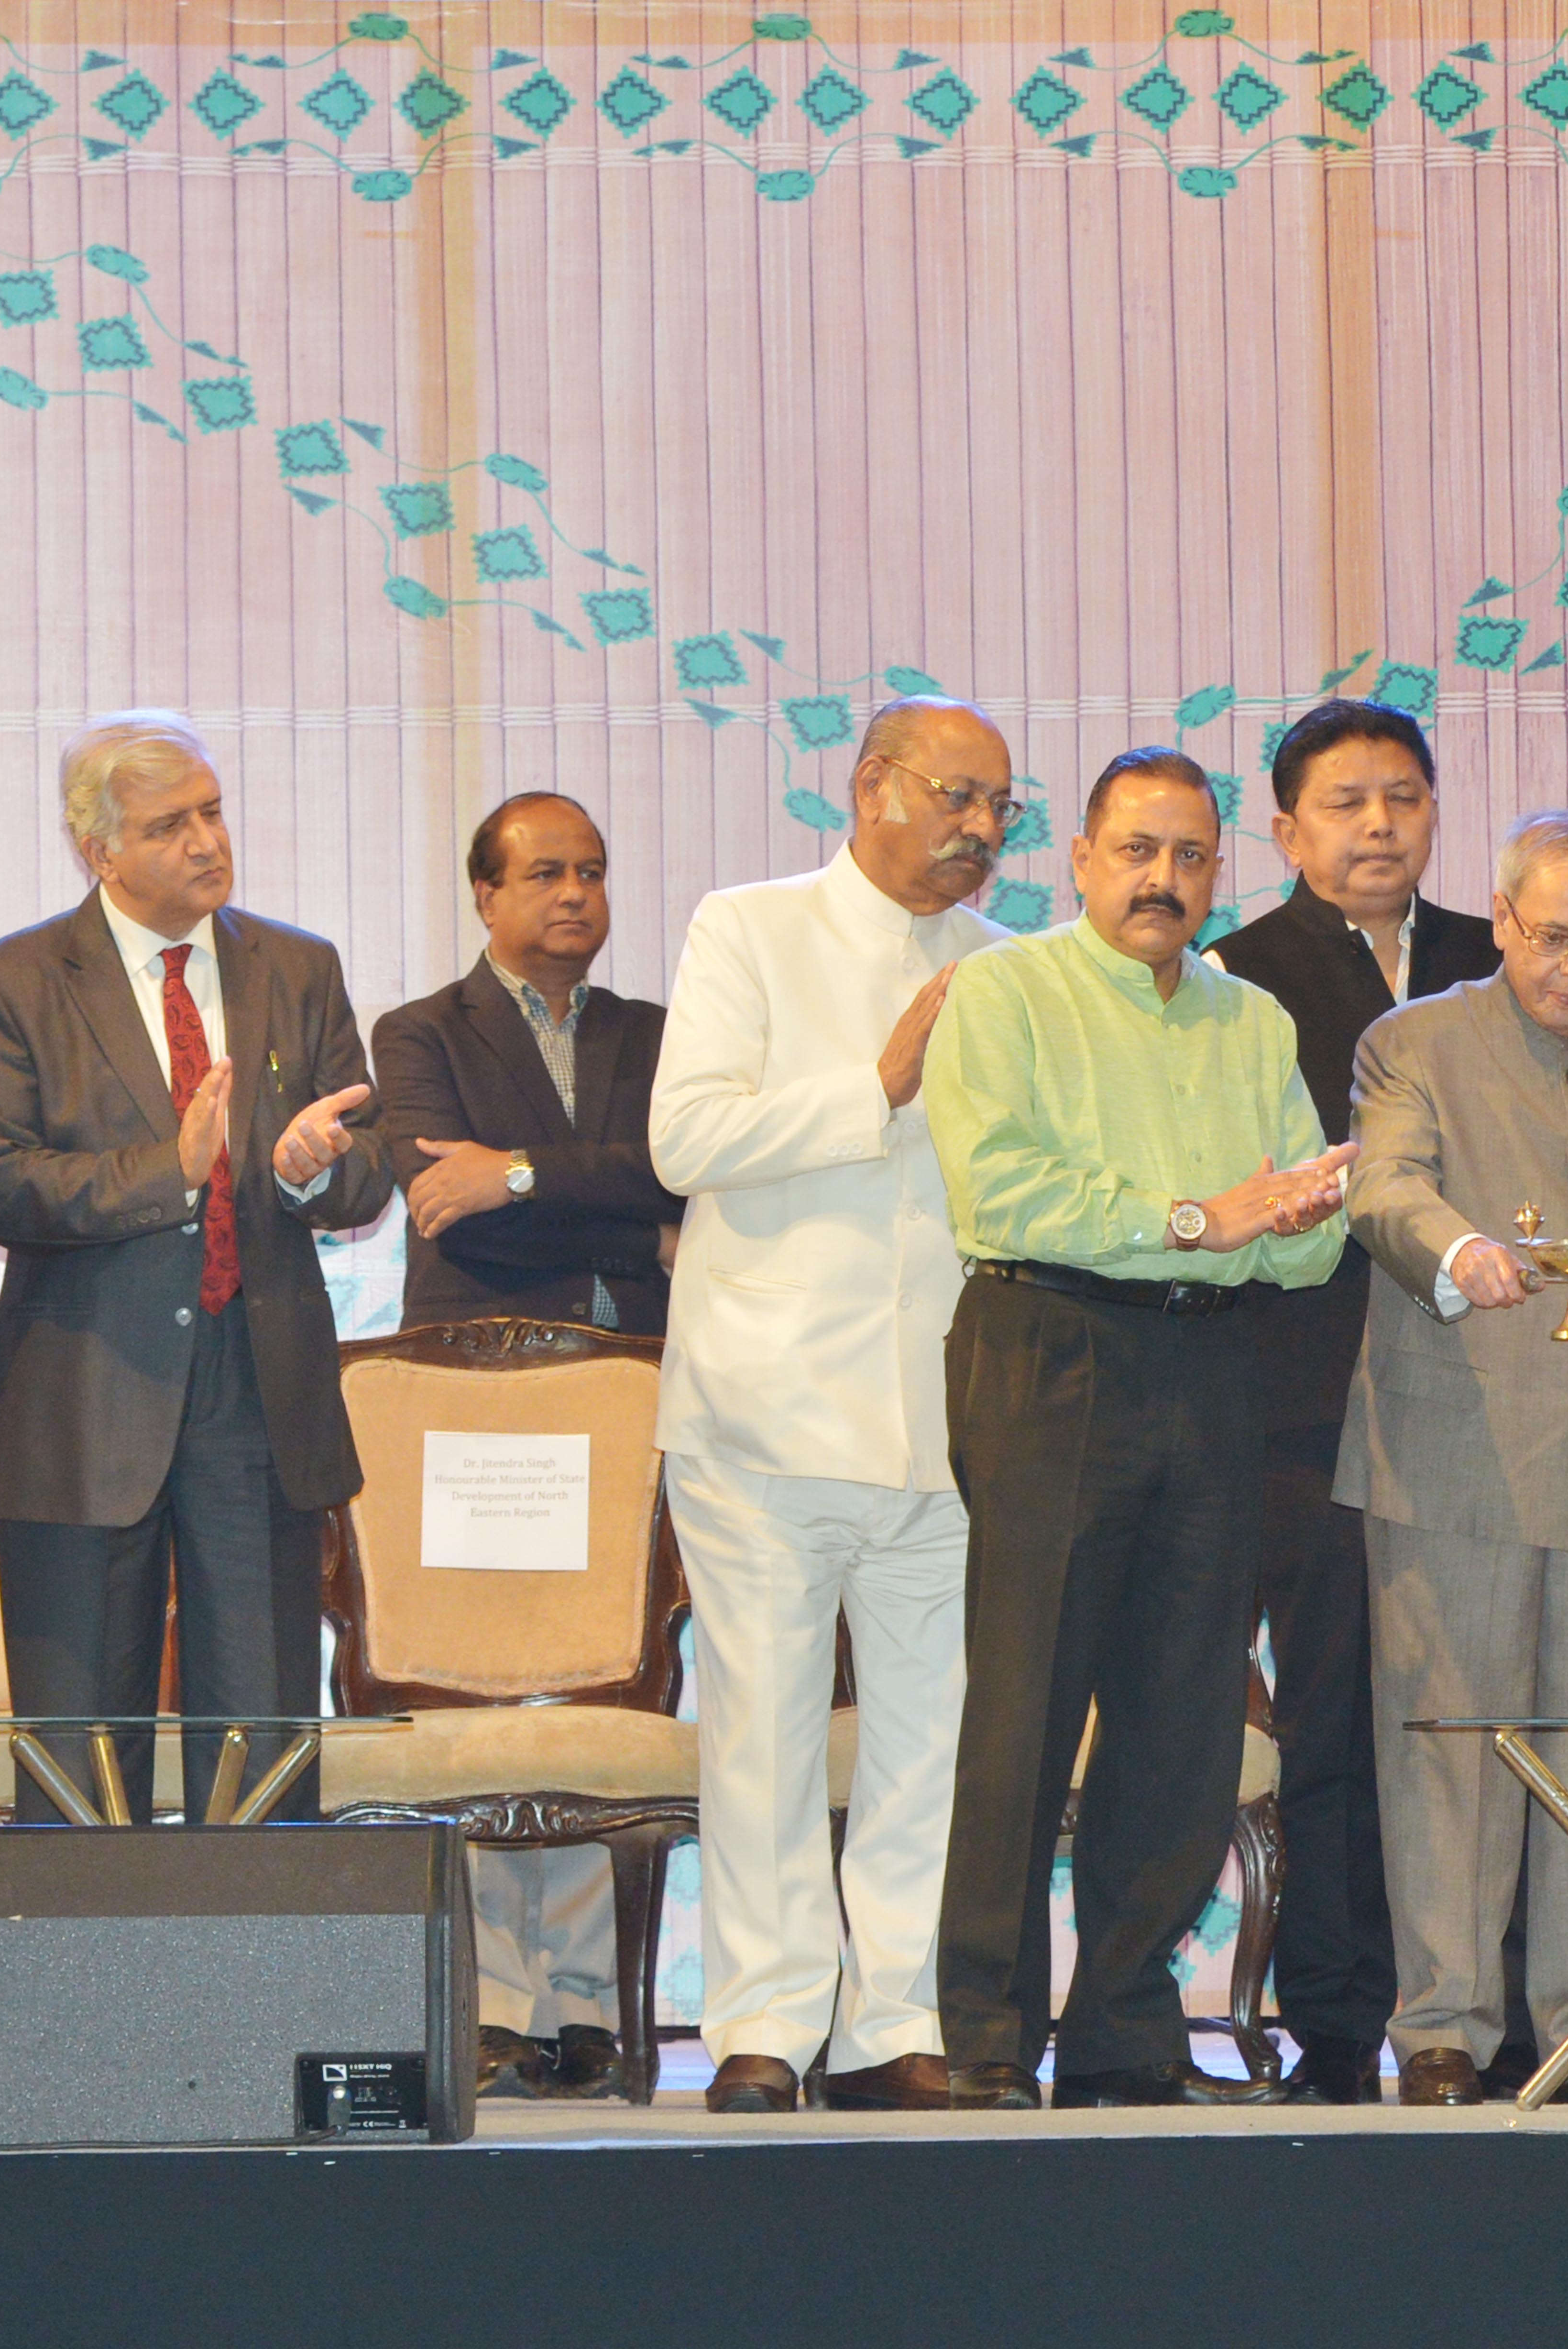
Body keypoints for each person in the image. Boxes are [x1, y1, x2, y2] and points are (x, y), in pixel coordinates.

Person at [923, 747, 1354, 2111]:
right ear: (1082, 860)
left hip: (1215, 1362)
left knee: (1180, 1717)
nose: (1162, 880)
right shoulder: (1004, 989)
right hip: (1049, 1346)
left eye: (1188, 857)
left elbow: (1292, 1244)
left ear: (1221, 873)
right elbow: (999, 1192)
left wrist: (1297, 1216)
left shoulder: (1252, 1019)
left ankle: (1122, 2023)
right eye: (1136, 851)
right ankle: (989, 2029)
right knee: (1027, 1707)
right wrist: (1199, 1218)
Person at [645, 697, 1009, 2116]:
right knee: (762, 1733)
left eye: (997, 806)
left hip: (943, 1413)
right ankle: (763, 2021)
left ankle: (894, 2020)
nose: (975, 828)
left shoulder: (1010, 965)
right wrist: (874, 1084)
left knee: (929, 1742)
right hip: (763, 1411)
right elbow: (687, 1134)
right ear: (867, 788)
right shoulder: (748, 926)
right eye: (951, 795)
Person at [0, 712, 389, 1828]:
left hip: (258, 1390)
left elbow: (366, 1166)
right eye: (170, 824)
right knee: (83, 1760)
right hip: (86, 1399)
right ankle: (85, 1998)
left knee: (262, 1746)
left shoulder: (297, 965)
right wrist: (170, 1170)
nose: (206, 841)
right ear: (102, 850)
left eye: (212, 810)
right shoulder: (13, 980)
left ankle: (255, 1996)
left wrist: (303, 1174)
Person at [1341, 811, 1568, 2108]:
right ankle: (1442, 2028)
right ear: (1500, 921)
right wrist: (1452, 1250)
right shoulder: (1413, 1042)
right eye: (1552, 940)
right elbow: (1384, 1187)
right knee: (1450, 1740)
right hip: (1456, 1453)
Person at [1202, 700, 1499, 2106]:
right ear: (1283, 830)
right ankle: (1332, 2023)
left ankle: (1469, 2015)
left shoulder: (1494, 967)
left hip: (1479, 1404)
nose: (1376, 823)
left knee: (1463, 1714)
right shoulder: (1230, 978)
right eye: (1342, 801)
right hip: (1302, 1403)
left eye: (1400, 795)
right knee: (1326, 1715)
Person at [371, 789, 678, 2102]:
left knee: (607, 1694)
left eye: (594, 872)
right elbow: (457, 1222)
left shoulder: (660, 1032)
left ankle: (590, 2008)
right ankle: (497, 2004)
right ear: (485, 896)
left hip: (640, 1390)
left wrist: (523, 1173)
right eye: (545, 873)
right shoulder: (418, 1032)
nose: (574, 895)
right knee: (487, 1695)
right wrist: (606, 1205)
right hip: (479, 1402)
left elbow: (679, 1168)